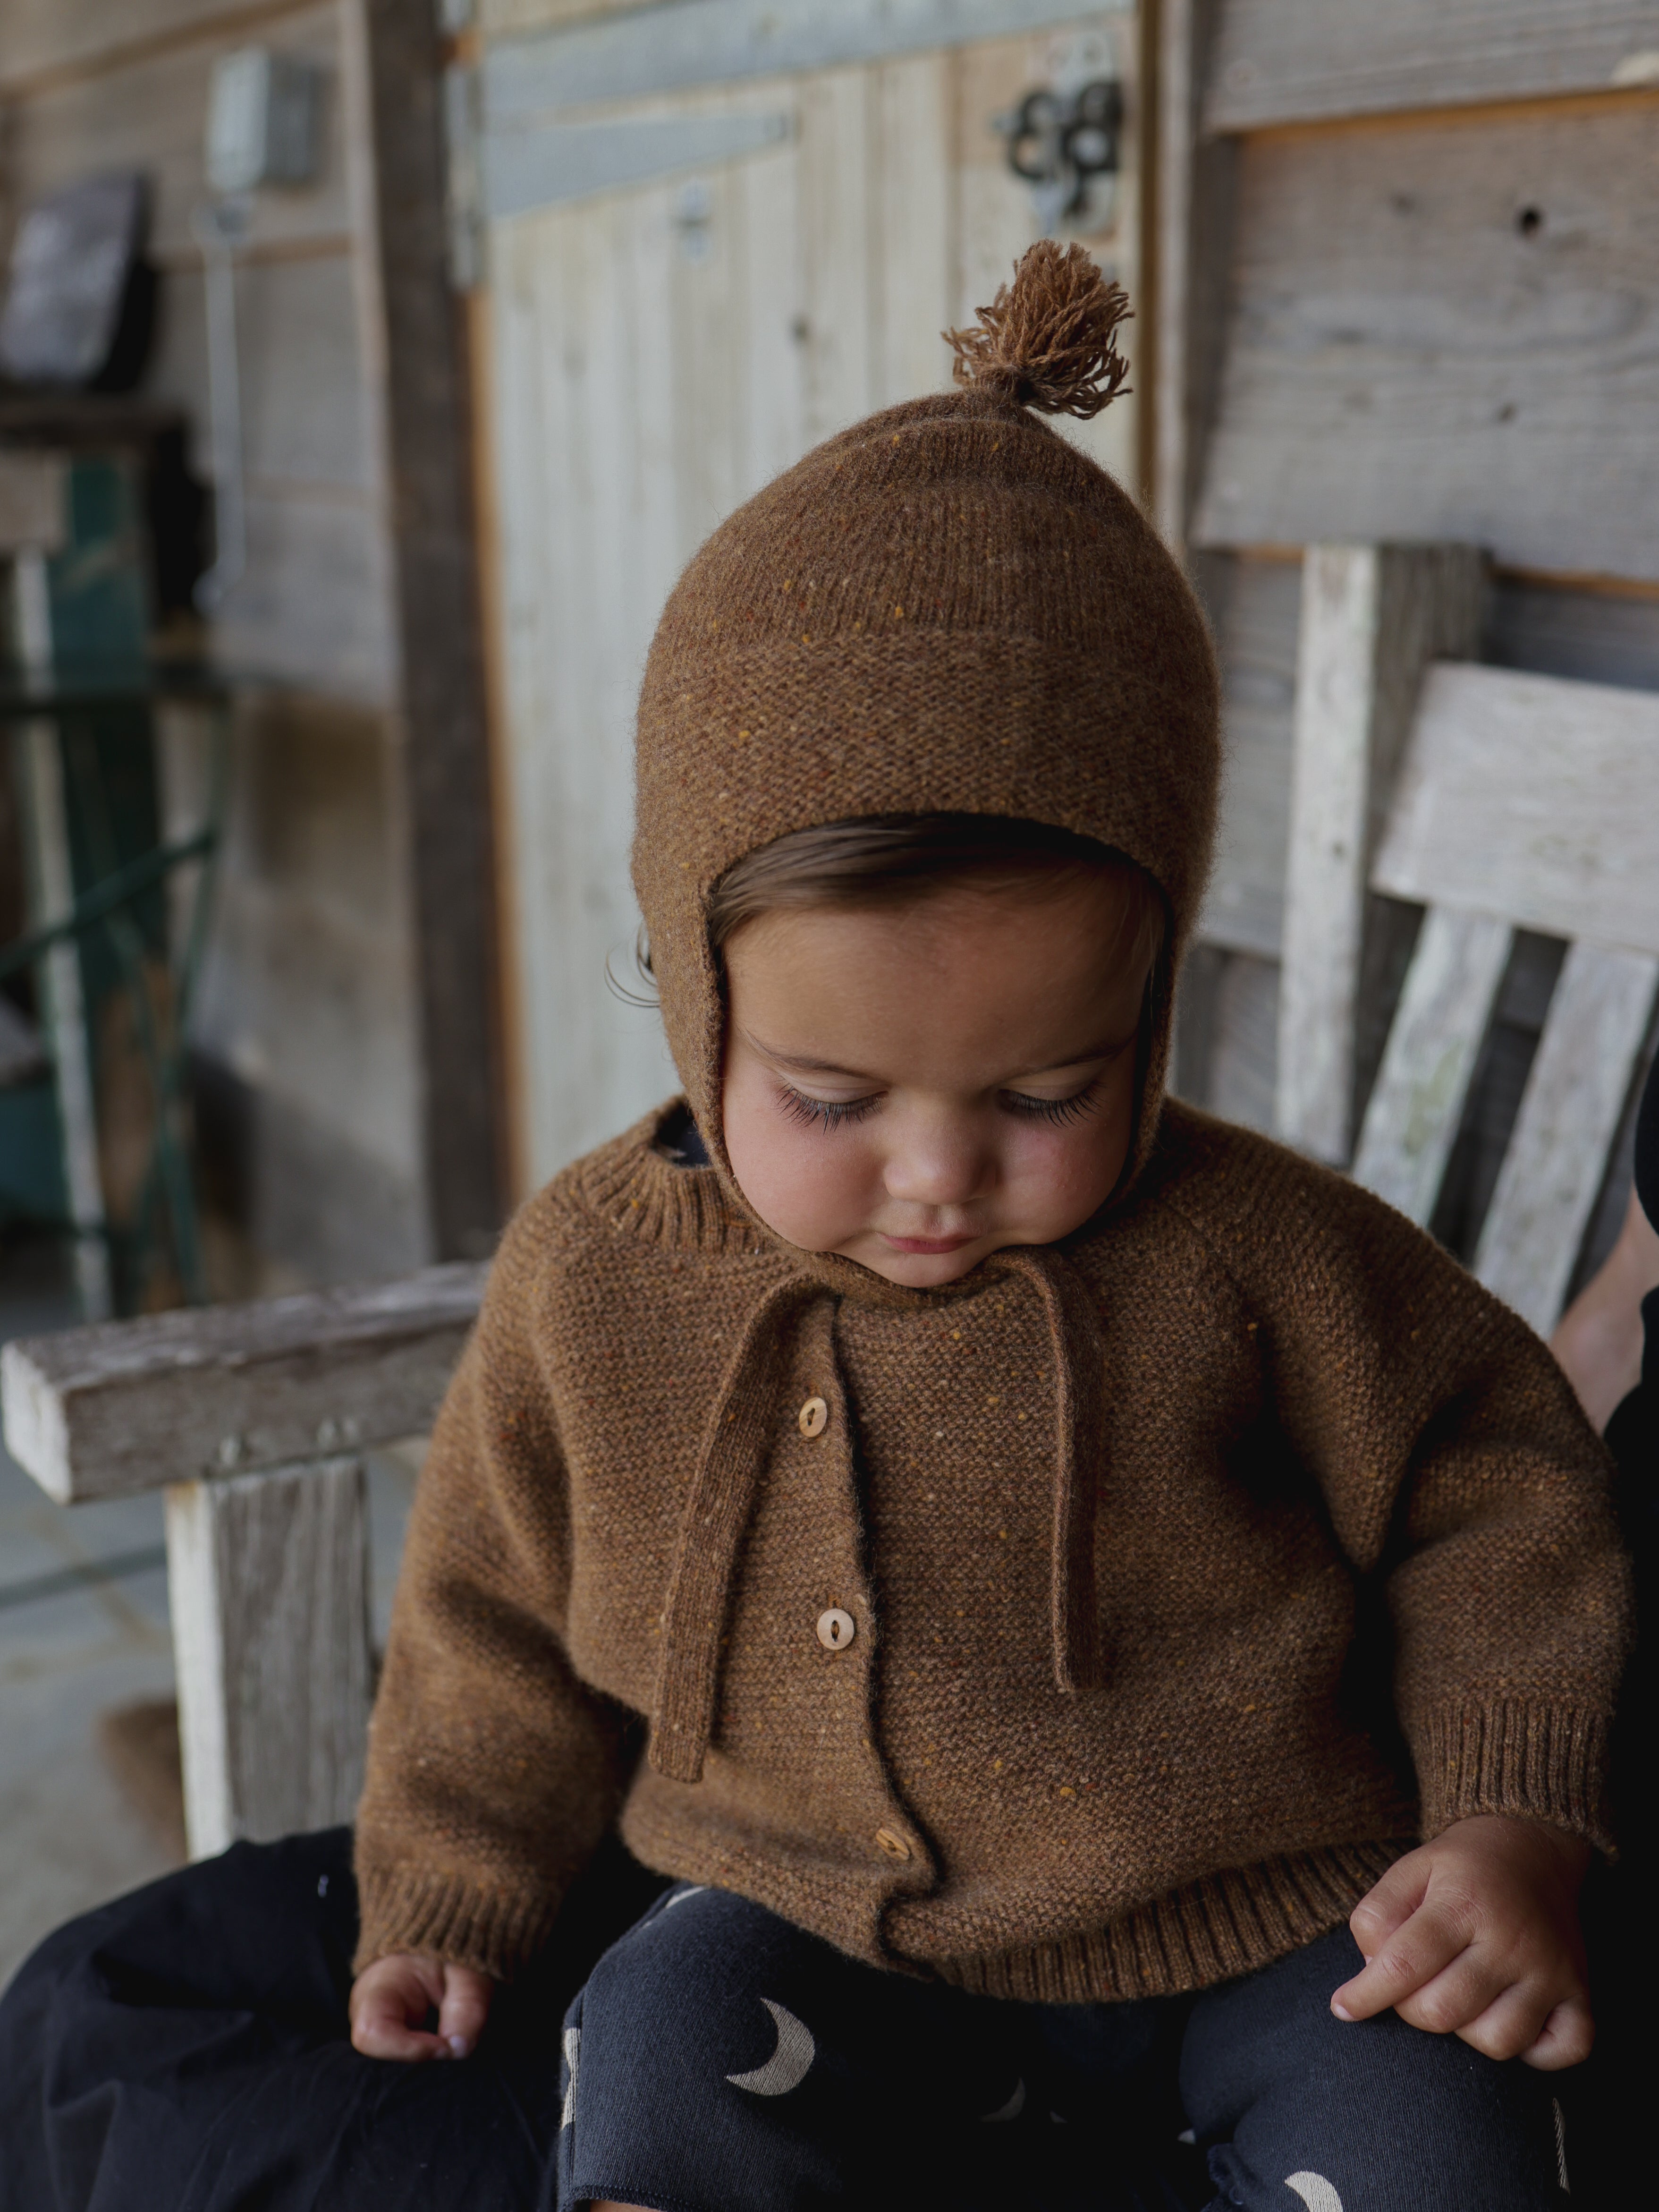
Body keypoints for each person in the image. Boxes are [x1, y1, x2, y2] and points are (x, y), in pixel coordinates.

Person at [0, 244, 1633, 2212]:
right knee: (661, 2071)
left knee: (1451, 2133)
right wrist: (451, 1889)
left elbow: (1497, 1495)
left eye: (1044, 1093)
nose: (935, 1173)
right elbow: (494, 1619)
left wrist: (1512, 1820)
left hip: (1273, 1919)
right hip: (808, 1927)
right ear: (698, 1000)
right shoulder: (600, 1283)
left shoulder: (1269, 1258)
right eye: (833, 1101)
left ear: (1154, 1001)